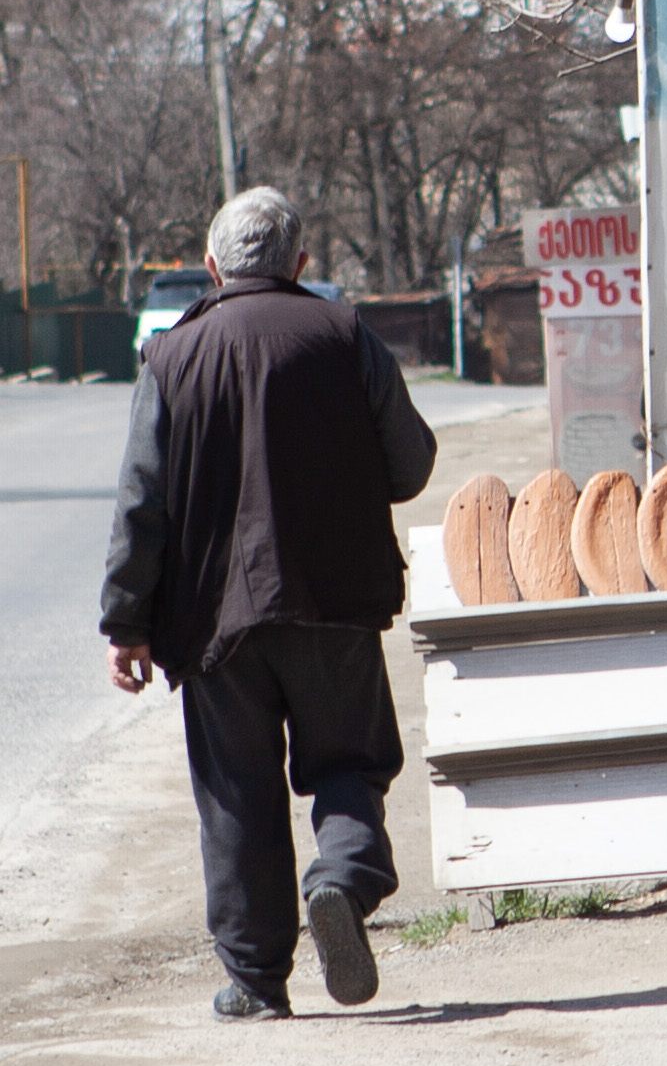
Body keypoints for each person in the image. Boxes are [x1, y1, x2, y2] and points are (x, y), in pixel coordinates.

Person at [100, 188, 437, 1023]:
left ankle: (255, 981)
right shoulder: (345, 335)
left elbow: (141, 504)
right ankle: (341, 881)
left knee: (237, 795)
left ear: (212, 268)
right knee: (349, 763)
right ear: (300, 264)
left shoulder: (172, 358)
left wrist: (127, 623)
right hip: (336, 601)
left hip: (213, 622)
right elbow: (411, 465)